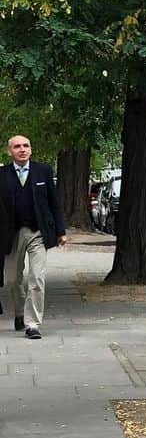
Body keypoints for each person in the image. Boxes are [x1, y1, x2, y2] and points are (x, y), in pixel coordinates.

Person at [0, 134, 67, 339]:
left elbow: (53, 202)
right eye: (17, 146)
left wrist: (60, 231)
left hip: (38, 232)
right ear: (9, 151)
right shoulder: (2, 174)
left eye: (26, 145)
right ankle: (20, 313)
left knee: (37, 278)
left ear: (31, 149)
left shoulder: (43, 171)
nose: (22, 149)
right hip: (11, 234)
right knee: (12, 280)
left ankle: (32, 324)